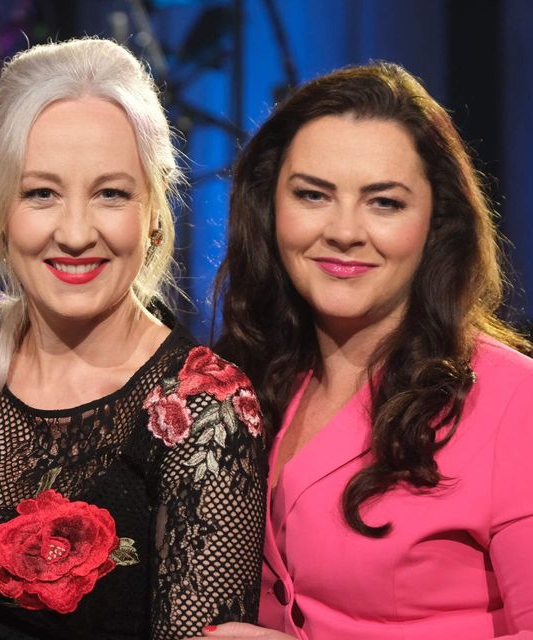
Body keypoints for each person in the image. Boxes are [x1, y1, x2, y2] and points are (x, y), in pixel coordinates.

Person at [0, 37, 266, 640]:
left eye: (111, 193)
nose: (75, 233)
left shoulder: (205, 408)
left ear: (154, 210)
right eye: (41, 193)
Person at [205, 63, 533, 640]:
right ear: (268, 208)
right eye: (313, 195)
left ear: (436, 222)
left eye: (384, 203)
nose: (345, 231)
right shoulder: (245, 380)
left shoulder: (515, 402)